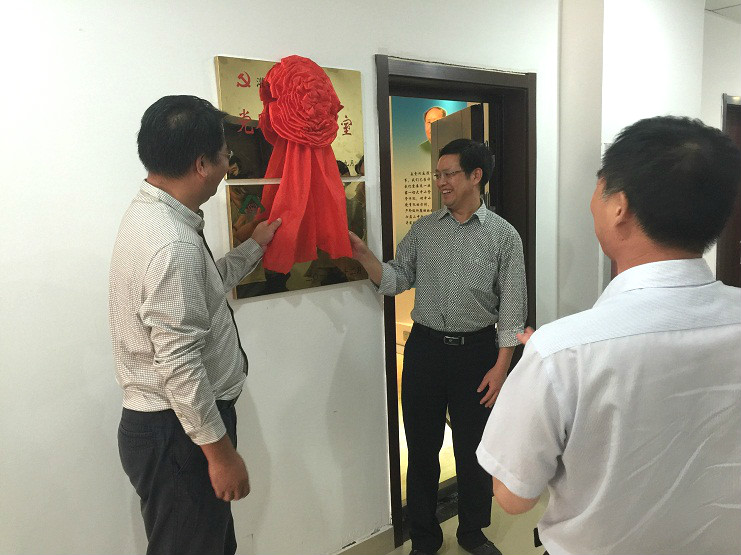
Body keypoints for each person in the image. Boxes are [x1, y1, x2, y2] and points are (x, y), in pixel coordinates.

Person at [476, 116, 741, 555]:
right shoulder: (565, 350)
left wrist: (540, 377)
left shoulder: (559, 353)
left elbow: (513, 496)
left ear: (619, 206)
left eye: (598, 188)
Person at [109, 95, 281, 555]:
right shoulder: (173, 243)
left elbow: (202, 289)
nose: (229, 165)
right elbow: (180, 364)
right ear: (202, 164)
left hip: (174, 430)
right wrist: (220, 455)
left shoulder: (153, 214)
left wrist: (254, 246)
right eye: (225, 155)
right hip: (180, 436)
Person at [350, 139, 527, 555]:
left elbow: (513, 310)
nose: (441, 182)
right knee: (422, 449)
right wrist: (364, 256)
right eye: (438, 174)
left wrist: (501, 368)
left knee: (474, 449)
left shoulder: (503, 236)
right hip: (425, 351)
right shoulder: (424, 230)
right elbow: (396, 278)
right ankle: (425, 537)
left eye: (449, 174)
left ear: (475, 176)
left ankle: (472, 532)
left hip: (477, 354)